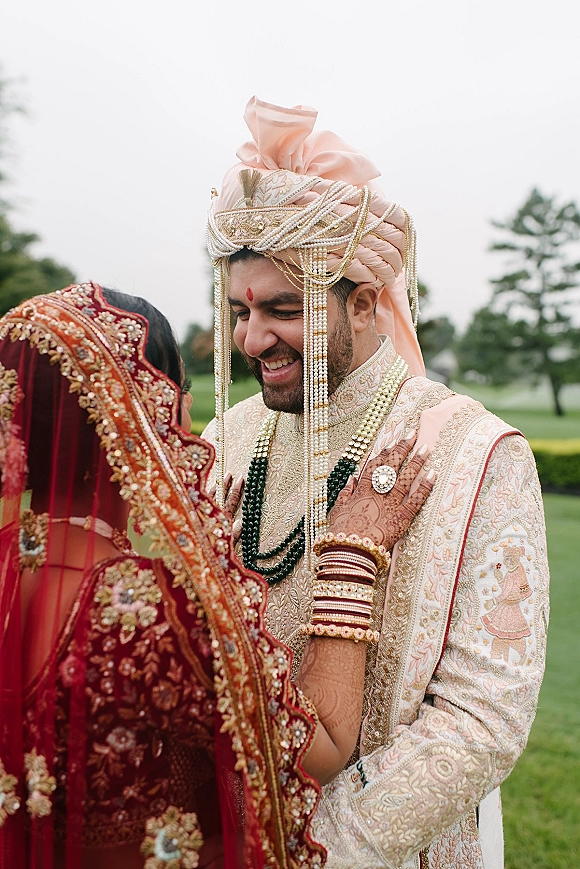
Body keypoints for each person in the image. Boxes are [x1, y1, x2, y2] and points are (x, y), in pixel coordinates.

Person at [203, 97, 550, 869]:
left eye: (284, 310)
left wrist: (317, 845)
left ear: (364, 303)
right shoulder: (223, 439)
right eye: (239, 311)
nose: (251, 339)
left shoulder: (473, 451)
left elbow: (481, 717)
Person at [0, 282, 431, 868]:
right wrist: (349, 558)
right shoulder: (137, 610)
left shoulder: (9, 558)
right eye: (182, 393)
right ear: (148, 411)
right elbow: (317, 749)